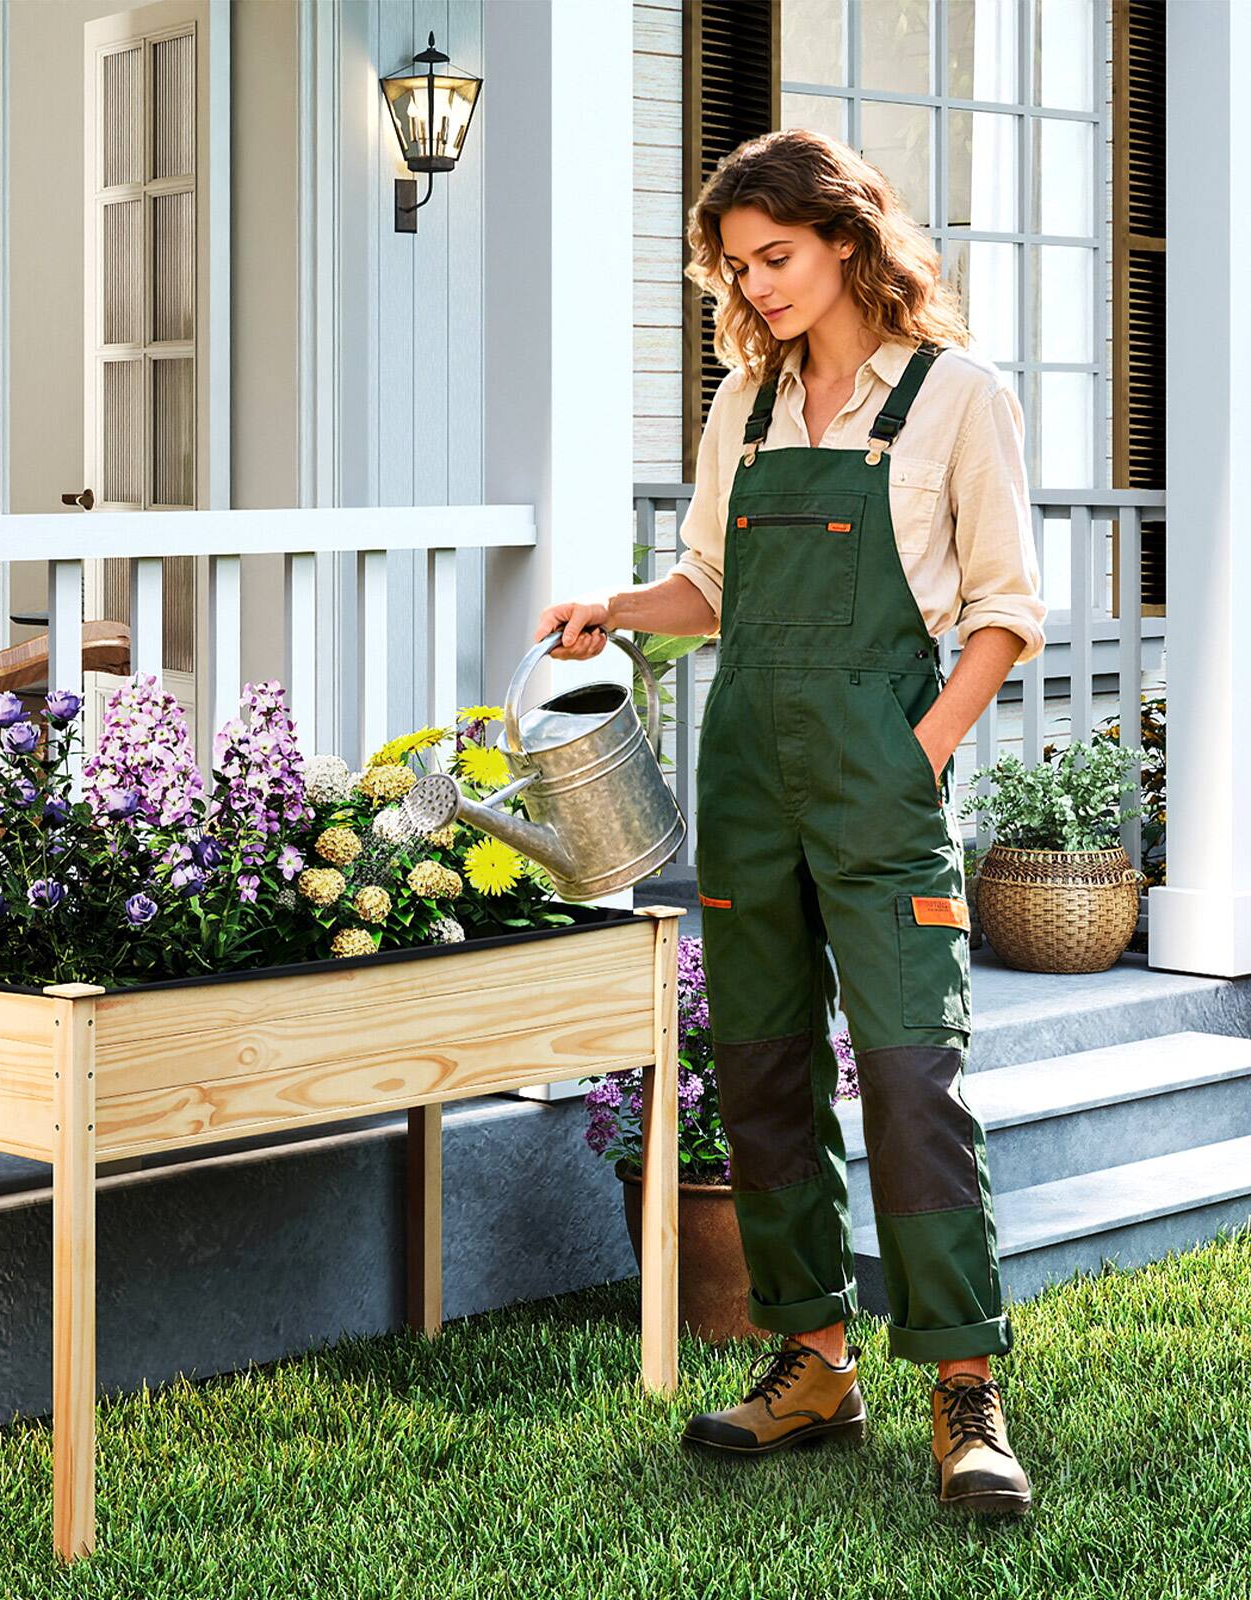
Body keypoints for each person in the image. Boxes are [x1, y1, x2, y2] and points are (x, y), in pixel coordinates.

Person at [535, 128, 1047, 1517]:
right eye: (736, 268)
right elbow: (709, 586)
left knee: (911, 1075)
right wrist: (615, 610)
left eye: (776, 257)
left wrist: (921, 754)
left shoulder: (957, 397)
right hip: (750, 778)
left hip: (880, 784)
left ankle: (964, 1388)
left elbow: (1005, 611)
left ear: (846, 241)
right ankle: (814, 1364)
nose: (757, 286)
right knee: (761, 1071)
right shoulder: (745, 404)